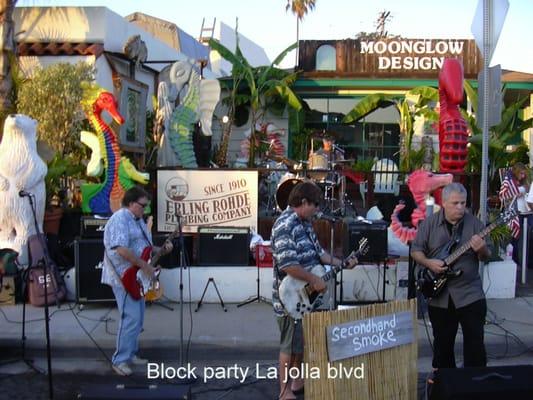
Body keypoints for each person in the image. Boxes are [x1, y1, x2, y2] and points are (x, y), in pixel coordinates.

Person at [270, 180, 358, 399]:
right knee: (289, 345)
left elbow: (320, 255)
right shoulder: (285, 225)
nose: (318, 209)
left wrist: (342, 263)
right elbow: (287, 264)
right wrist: (313, 279)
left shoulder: (305, 223)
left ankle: (297, 381)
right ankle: (284, 391)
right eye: (315, 204)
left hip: (308, 294)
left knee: (301, 342)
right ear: (303, 202)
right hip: (289, 296)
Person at [411, 182, 491, 369]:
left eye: (463, 203)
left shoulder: (475, 225)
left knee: (475, 346)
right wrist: (430, 263)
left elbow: (486, 257)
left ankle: (475, 385)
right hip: (440, 297)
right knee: (443, 348)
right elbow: (416, 251)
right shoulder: (430, 223)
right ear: (444, 202)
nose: (460, 207)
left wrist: (482, 249)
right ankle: (445, 387)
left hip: (470, 294)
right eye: (455, 203)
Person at [101, 186, 172, 376]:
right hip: (123, 276)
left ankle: (130, 354)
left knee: (137, 318)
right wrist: (145, 267)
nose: (145, 209)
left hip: (137, 275)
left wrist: (161, 250)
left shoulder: (138, 220)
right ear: (132, 204)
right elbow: (121, 249)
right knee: (130, 318)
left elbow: (143, 247)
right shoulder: (120, 219)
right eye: (143, 205)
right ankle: (120, 360)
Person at [501, 162, 531, 265]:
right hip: (513, 213)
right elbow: (506, 196)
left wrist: (522, 189)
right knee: (512, 238)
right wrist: (518, 191)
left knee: (520, 239)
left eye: (524, 174)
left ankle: (518, 261)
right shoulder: (509, 181)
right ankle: (513, 259)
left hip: (525, 212)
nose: (523, 176)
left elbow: (527, 189)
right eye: (521, 173)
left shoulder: (524, 181)